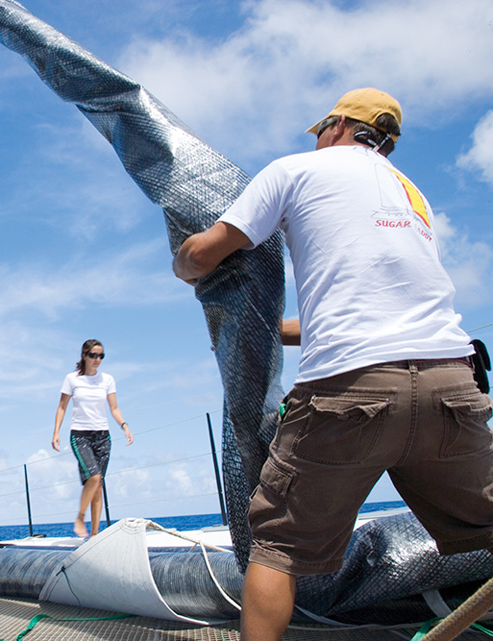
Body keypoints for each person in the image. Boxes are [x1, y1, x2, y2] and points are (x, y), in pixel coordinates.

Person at [173, 88, 493, 640]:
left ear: (339, 124)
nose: (319, 139)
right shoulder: (412, 196)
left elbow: (205, 255)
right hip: (450, 384)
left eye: (321, 128)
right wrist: (265, 334)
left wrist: (183, 258)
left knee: (276, 547)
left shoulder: (296, 171)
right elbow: (371, 306)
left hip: (350, 392)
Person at [52, 339, 134, 538]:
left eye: (101, 356)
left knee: (98, 485)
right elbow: (62, 407)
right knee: (94, 477)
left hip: (103, 437)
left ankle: (95, 535)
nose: (97, 360)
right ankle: (80, 517)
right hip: (80, 436)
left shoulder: (107, 380)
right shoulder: (72, 379)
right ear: (84, 355)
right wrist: (56, 432)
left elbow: (114, 408)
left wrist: (125, 426)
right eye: (93, 355)